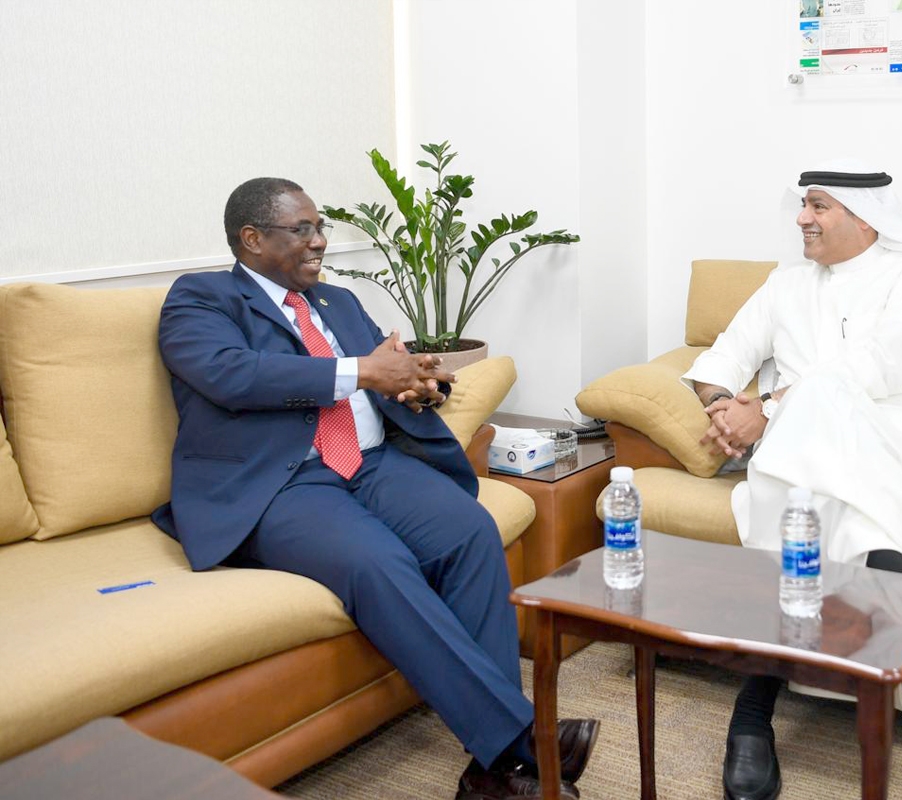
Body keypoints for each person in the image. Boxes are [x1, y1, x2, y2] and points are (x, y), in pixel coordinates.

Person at [151, 177, 599, 800]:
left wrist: (419, 384)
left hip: (372, 462)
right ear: (251, 239)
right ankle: (522, 740)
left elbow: (387, 377)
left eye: (320, 228)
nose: (319, 241)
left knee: (470, 530)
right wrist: (364, 370)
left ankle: (490, 772)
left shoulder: (336, 301)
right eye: (302, 230)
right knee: (377, 560)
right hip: (282, 484)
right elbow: (233, 375)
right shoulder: (202, 299)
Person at [681, 160, 902, 800]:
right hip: (807, 455)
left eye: (818, 206)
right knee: (813, 483)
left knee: (813, 424)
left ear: (864, 217)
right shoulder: (786, 284)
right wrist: (723, 409)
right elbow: (723, 357)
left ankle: (752, 713)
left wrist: (766, 410)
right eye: (803, 205)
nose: (802, 218)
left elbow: (879, 367)